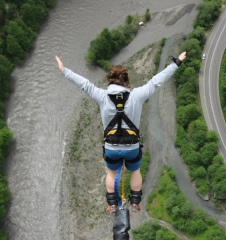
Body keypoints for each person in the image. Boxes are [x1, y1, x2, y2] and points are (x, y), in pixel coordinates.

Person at [55, 51, 187, 214]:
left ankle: (112, 205)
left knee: (111, 173)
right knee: (135, 171)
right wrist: (176, 63)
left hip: (112, 147)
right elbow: (156, 82)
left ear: (109, 81)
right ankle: (135, 203)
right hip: (132, 147)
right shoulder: (137, 95)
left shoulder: (102, 96)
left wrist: (64, 70)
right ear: (126, 82)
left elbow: (84, 84)